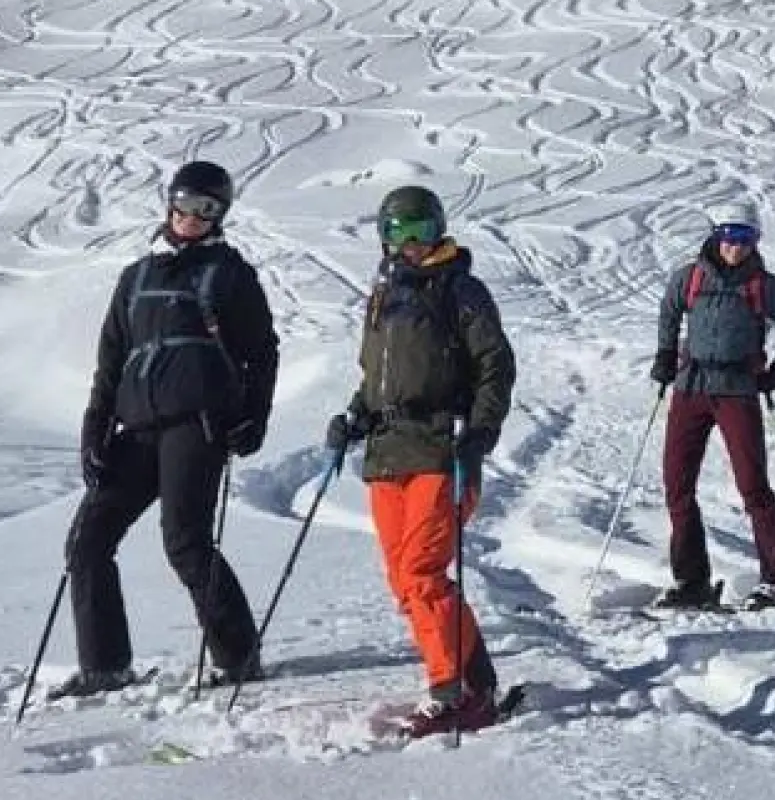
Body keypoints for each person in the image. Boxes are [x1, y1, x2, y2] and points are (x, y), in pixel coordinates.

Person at [54, 160, 280, 698]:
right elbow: (112, 359)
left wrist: (254, 416)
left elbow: (262, 352)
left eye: (207, 208)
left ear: (220, 215)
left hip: (197, 426)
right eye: (185, 203)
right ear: (170, 203)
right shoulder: (136, 276)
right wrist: (95, 427)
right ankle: (105, 667)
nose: (192, 216)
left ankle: (239, 657)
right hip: (136, 428)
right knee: (87, 542)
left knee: (185, 541)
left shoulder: (230, 273)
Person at [326, 185, 516, 738]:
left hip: (440, 447)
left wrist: (479, 433)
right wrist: (356, 415)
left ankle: (453, 693)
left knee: (422, 572)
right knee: (404, 582)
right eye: (398, 232)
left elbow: (495, 366)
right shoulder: (383, 292)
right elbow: (376, 375)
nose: (411, 243)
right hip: (388, 451)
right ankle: (477, 683)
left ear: (439, 231)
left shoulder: (461, 289)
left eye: (421, 231)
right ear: (383, 237)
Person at [650, 203, 775, 611]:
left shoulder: (764, 285)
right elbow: (669, 311)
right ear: (717, 235)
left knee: (752, 485)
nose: (736, 247)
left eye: (746, 238)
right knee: (677, 484)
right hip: (691, 387)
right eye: (730, 236)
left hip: (738, 389)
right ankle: (692, 580)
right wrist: (665, 354)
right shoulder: (690, 277)